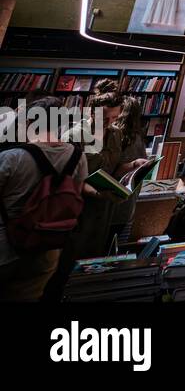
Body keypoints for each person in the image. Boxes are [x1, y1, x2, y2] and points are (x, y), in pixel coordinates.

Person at [0, 97, 88, 301]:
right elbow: (75, 196)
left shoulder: (12, 157)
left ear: (29, 123)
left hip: (5, 248)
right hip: (46, 249)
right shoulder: (77, 156)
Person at [44, 92, 128, 300]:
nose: (109, 123)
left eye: (114, 118)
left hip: (103, 211)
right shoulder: (74, 135)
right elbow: (63, 179)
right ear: (90, 111)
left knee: (92, 264)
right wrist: (94, 191)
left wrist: (133, 165)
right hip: (76, 211)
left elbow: (114, 167)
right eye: (105, 117)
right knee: (66, 267)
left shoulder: (116, 134)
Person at [107, 96, 150, 247]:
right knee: (114, 248)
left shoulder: (115, 135)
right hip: (127, 202)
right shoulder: (137, 137)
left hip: (108, 203)